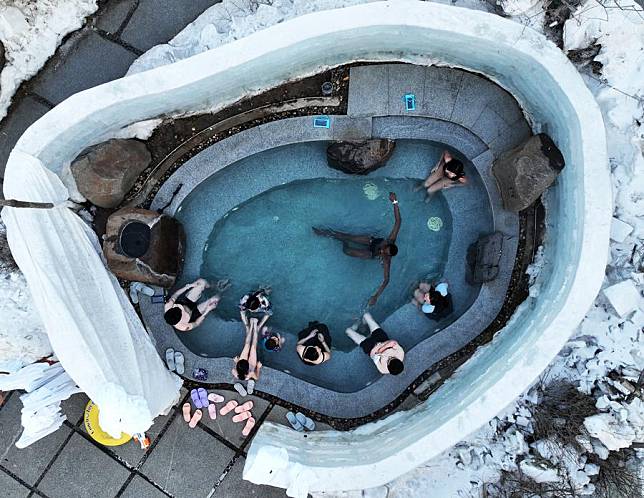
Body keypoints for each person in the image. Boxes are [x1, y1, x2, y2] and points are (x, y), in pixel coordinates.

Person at [313, 192, 401, 306]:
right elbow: (398, 222)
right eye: (384, 248)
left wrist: (376, 296)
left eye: (384, 253)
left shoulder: (386, 260)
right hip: (372, 241)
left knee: (347, 251)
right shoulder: (390, 240)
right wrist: (394, 202)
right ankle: (324, 232)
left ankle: (343, 242)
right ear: (388, 244)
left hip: (371, 253)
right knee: (348, 236)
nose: (382, 251)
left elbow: (386, 280)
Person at [164, 278, 229, 332]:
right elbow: (196, 323)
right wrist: (208, 310)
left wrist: (188, 287)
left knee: (201, 282)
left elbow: (176, 295)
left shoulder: (168, 306)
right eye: (181, 311)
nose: (182, 309)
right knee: (215, 299)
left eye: (177, 308)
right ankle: (223, 292)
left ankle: (215, 286)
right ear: (180, 318)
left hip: (186, 302)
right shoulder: (183, 327)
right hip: (194, 314)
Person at [232, 316, 262, 381]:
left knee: (247, 345)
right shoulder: (250, 374)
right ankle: (254, 325)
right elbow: (256, 378)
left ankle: (251, 326)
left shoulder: (234, 371)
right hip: (251, 367)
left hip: (243, 365)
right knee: (253, 347)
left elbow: (236, 369)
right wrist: (258, 367)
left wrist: (237, 362)